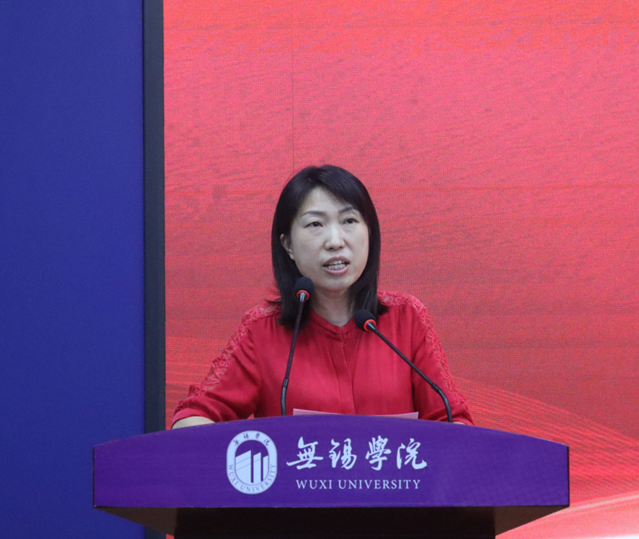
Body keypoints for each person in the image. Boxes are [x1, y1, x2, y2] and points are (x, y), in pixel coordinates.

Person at [171, 165, 472, 429]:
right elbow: (194, 416)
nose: (335, 241)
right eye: (315, 224)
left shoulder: (406, 319)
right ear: (288, 245)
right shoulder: (262, 331)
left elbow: (451, 419)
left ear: (370, 232)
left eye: (349, 221)